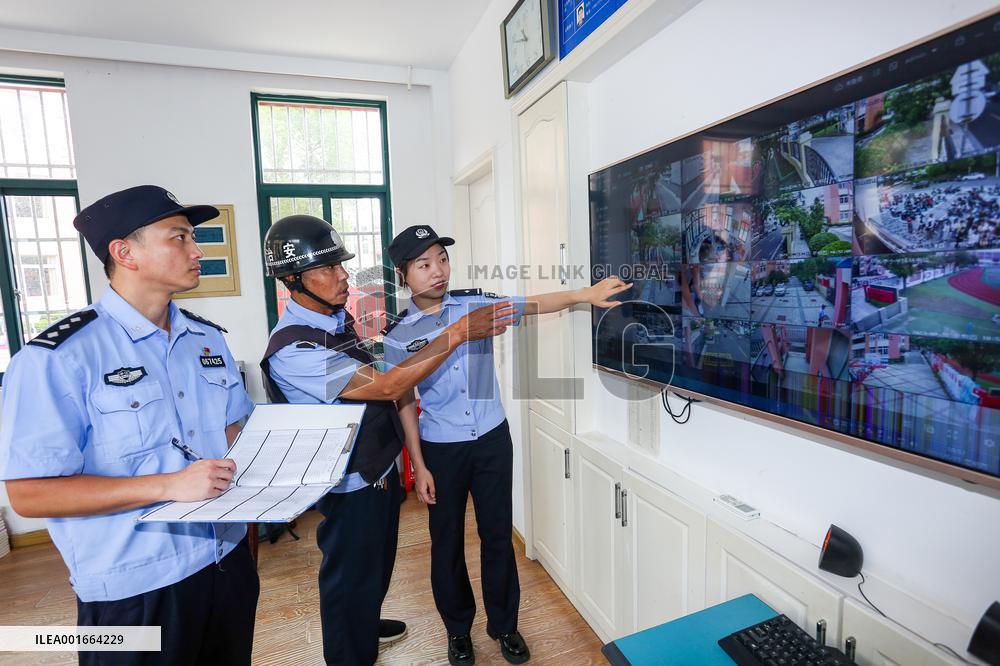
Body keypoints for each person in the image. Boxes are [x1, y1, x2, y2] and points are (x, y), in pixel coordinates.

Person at [0, 185, 259, 665]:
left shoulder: (206, 340)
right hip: (134, 590)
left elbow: (231, 435)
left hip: (224, 565)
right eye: (178, 237)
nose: (197, 251)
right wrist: (168, 485)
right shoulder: (59, 359)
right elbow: (29, 494)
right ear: (124, 252)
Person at [259, 215, 514, 666]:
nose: (344, 276)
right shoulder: (295, 347)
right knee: (348, 580)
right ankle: (350, 650)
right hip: (350, 482)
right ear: (293, 280)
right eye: (330, 269)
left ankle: (365, 626)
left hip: (377, 472)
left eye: (342, 265)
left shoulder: (335, 321)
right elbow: (386, 388)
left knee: (373, 573)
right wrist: (455, 335)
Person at [381, 225, 630, 665]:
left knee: (497, 535)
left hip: (493, 440)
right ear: (403, 275)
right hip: (442, 448)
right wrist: (419, 465)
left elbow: (532, 305)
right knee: (447, 544)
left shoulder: (477, 305)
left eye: (442, 259)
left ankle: (505, 626)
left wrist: (584, 294)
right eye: (424, 264)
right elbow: (403, 401)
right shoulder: (398, 336)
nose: (437, 271)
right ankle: (458, 630)